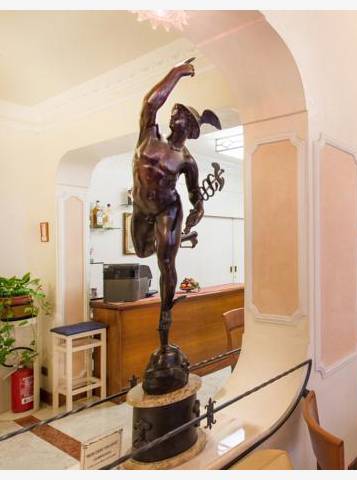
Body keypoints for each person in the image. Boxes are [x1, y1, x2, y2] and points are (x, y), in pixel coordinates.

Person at [131, 58, 222, 394]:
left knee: (165, 263)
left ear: (189, 127)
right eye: (174, 112)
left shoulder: (186, 160)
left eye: (179, 114)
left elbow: (195, 194)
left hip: (168, 209)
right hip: (141, 208)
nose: (173, 115)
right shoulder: (149, 134)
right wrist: (177, 73)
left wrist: (198, 209)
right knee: (143, 251)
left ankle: (165, 319)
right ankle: (177, 240)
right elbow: (150, 102)